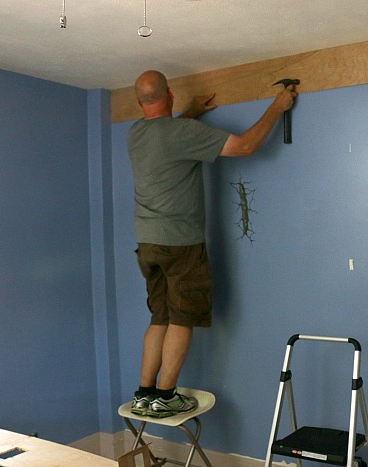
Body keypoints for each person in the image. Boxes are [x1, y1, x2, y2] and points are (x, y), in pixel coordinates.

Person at [127, 70, 297, 417]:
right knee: (181, 319)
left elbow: (164, 131)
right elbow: (246, 146)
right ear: (169, 94)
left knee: (159, 317)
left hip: (147, 245)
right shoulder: (184, 132)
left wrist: (191, 113)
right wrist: (278, 106)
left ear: (138, 102)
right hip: (181, 245)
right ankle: (166, 396)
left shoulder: (135, 133)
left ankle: (144, 393)